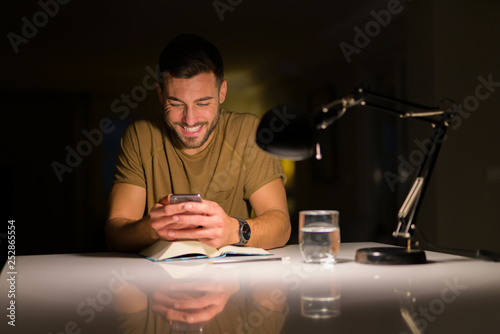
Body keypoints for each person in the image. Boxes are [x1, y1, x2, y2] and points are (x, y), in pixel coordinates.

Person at [105, 34, 291, 252]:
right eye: (176, 103)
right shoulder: (139, 136)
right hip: (156, 280)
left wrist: (233, 230)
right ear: (160, 93)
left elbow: (282, 226)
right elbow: (115, 234)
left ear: (222, 92)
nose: (190, 120)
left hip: (233, 279)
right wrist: (152, 228)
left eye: (203, 103)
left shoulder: (248, 132)